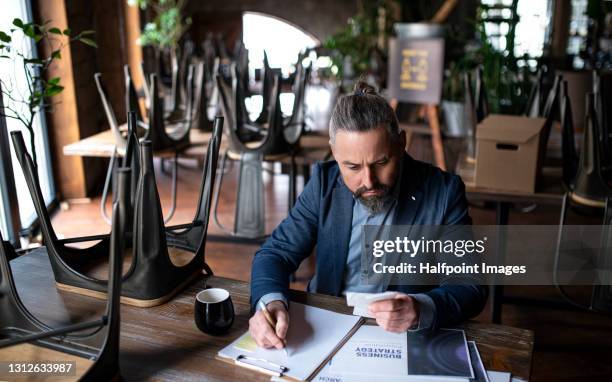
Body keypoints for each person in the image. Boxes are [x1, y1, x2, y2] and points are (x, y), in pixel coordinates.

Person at [248, 81, 488, 349]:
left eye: (381, 162)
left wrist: (420, 309)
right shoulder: (323, 184)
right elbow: (275, 254)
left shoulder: (443, 192)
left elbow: (469, 285)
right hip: (325, 328)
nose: (369, 181)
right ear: (334, 152)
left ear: (401, 143)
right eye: (351, 166)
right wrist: (270, 303)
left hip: (403, 338)